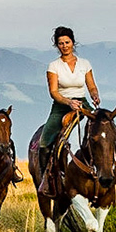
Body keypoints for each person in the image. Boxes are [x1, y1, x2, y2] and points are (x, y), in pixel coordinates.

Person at [37, 27, 100, 193]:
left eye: (67, 42)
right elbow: (54, 92)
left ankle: (113, 169)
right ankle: (46, 180)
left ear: (73, 42)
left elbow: (91, 86)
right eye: (60, 43)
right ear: (57, 46)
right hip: (61, 106)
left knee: (104, 130)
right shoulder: (54, 66)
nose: (64, 46)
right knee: (44, 142)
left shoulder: (85, 64)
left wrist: (95, 95)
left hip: (83, 104)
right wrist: (68, 102)